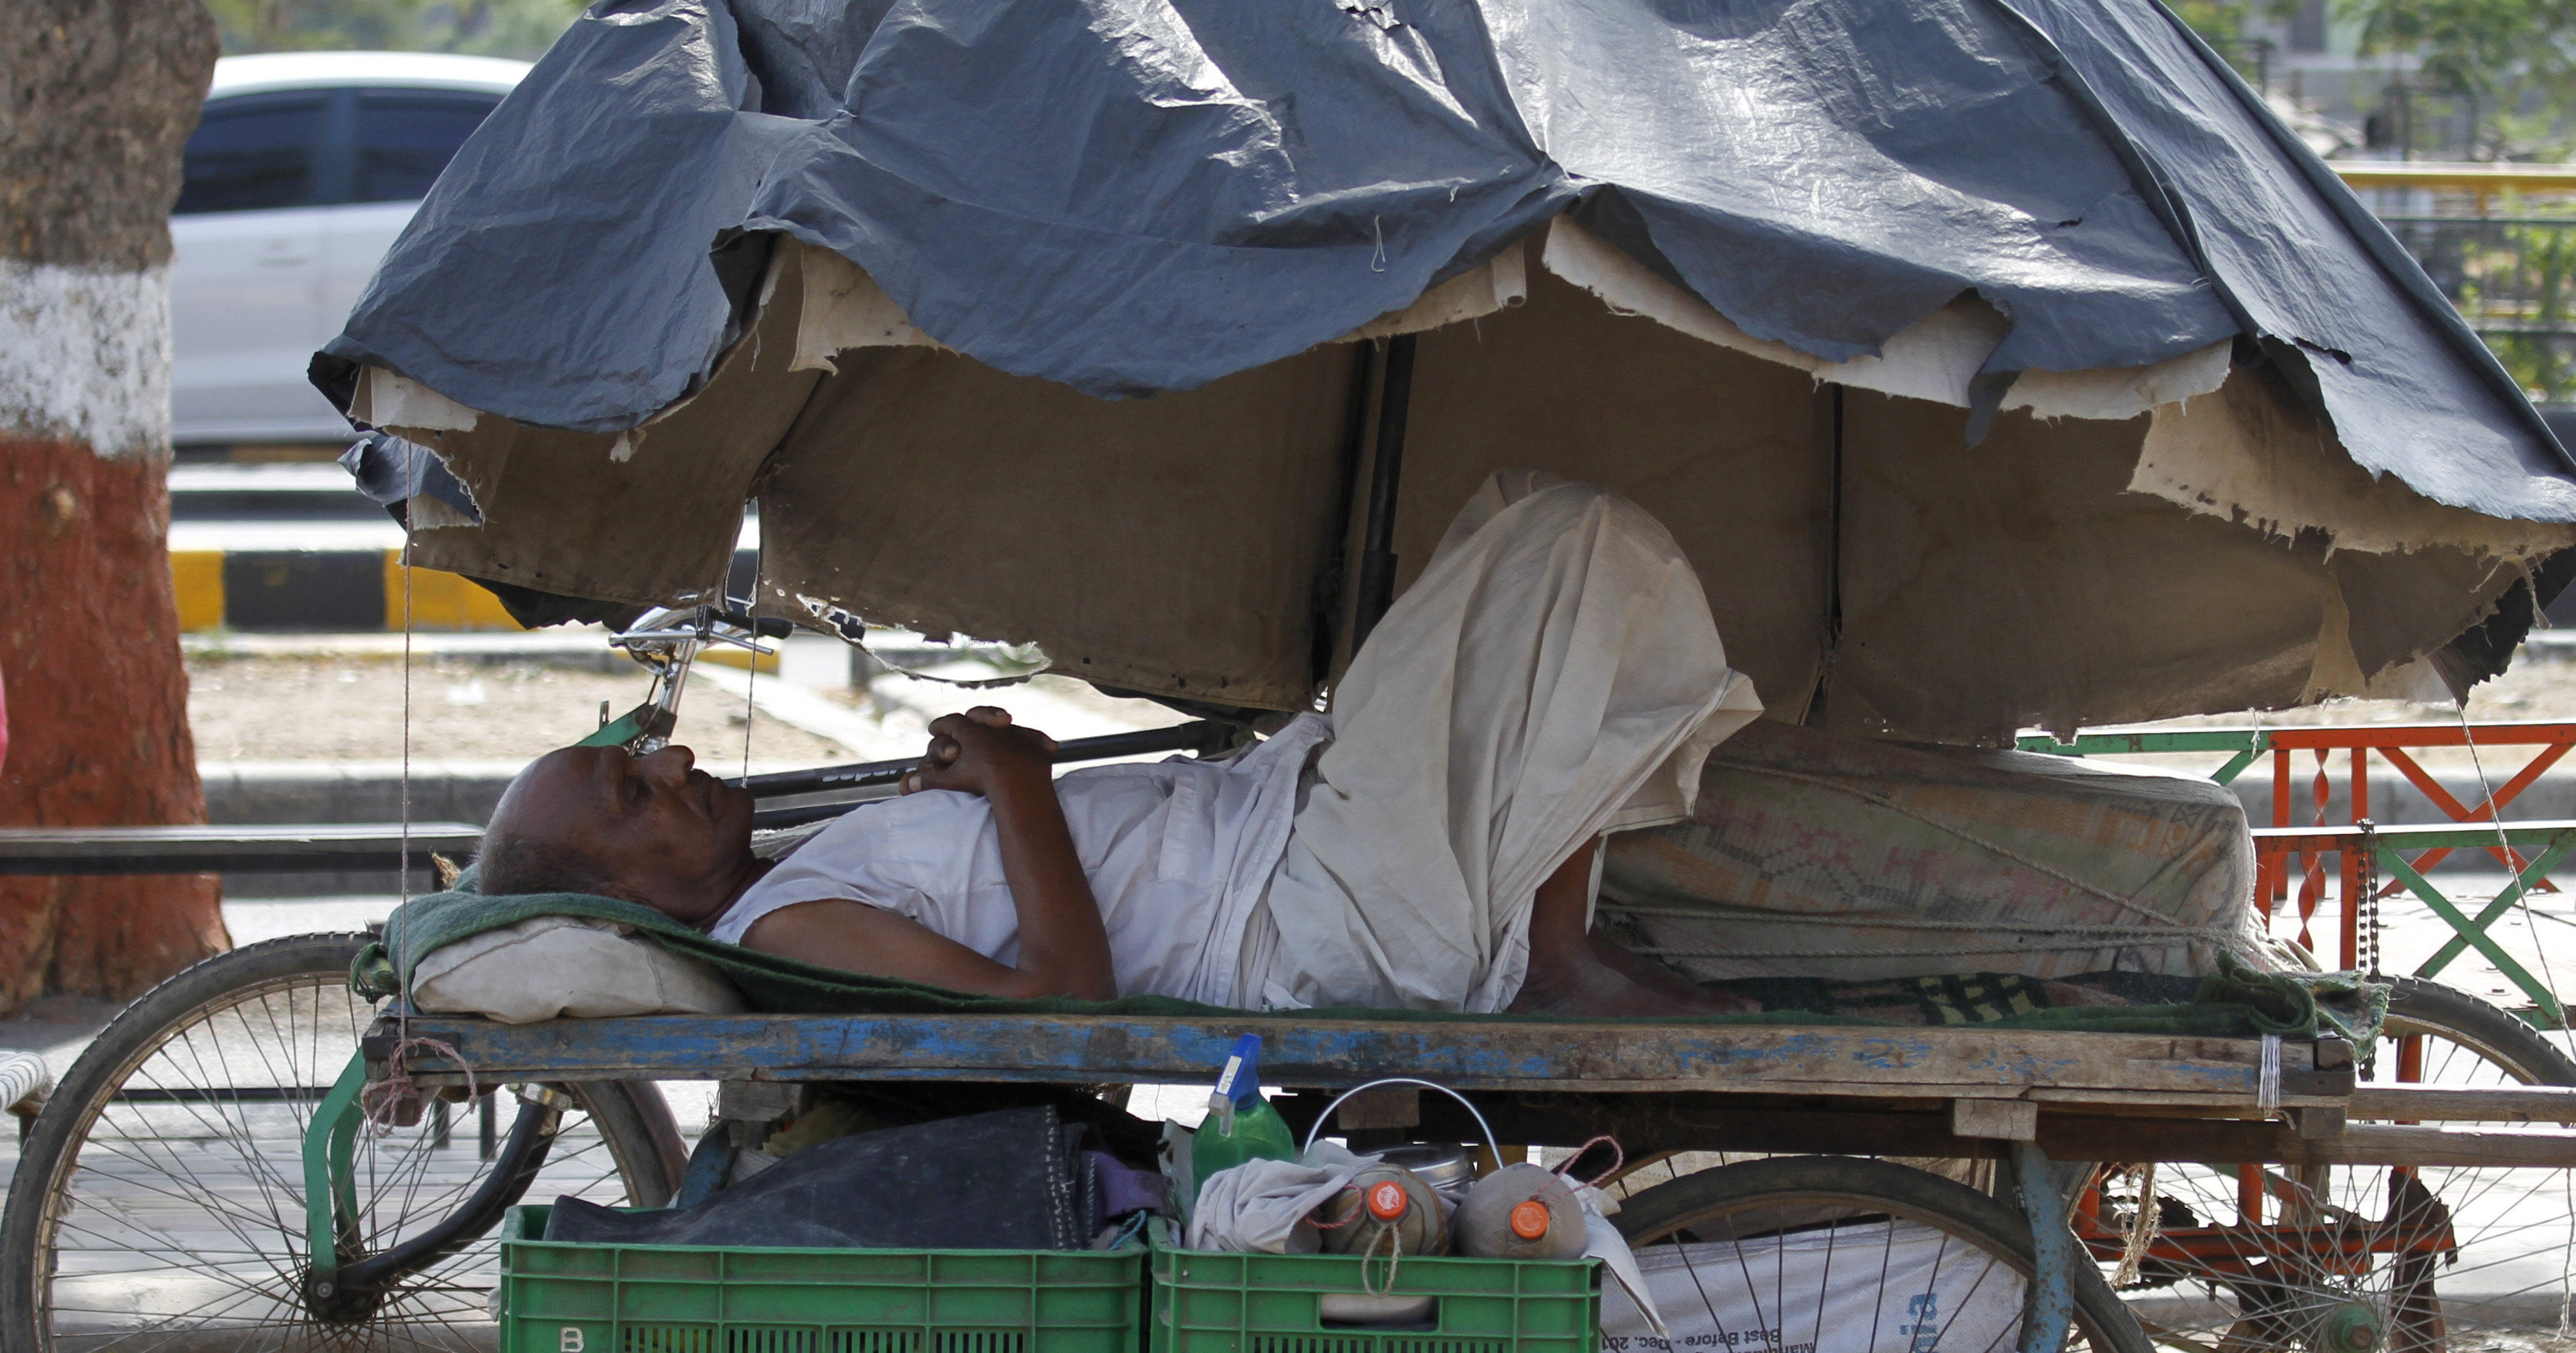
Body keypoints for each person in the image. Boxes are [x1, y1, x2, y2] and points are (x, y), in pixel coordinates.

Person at [475, 474, 1763, 1017]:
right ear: (630, 892)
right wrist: (1020, 785)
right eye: (631, 792)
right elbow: (1064, 1003)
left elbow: (980, 890)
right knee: (1567, 539)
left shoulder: (790, 882)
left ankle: (1549, 936)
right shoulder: (781, 932)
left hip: (1299, 844)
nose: (676, 762)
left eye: (643, 755)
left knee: (1514, 516)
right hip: (1307, 915)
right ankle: (1549, 951)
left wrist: (970, 784)